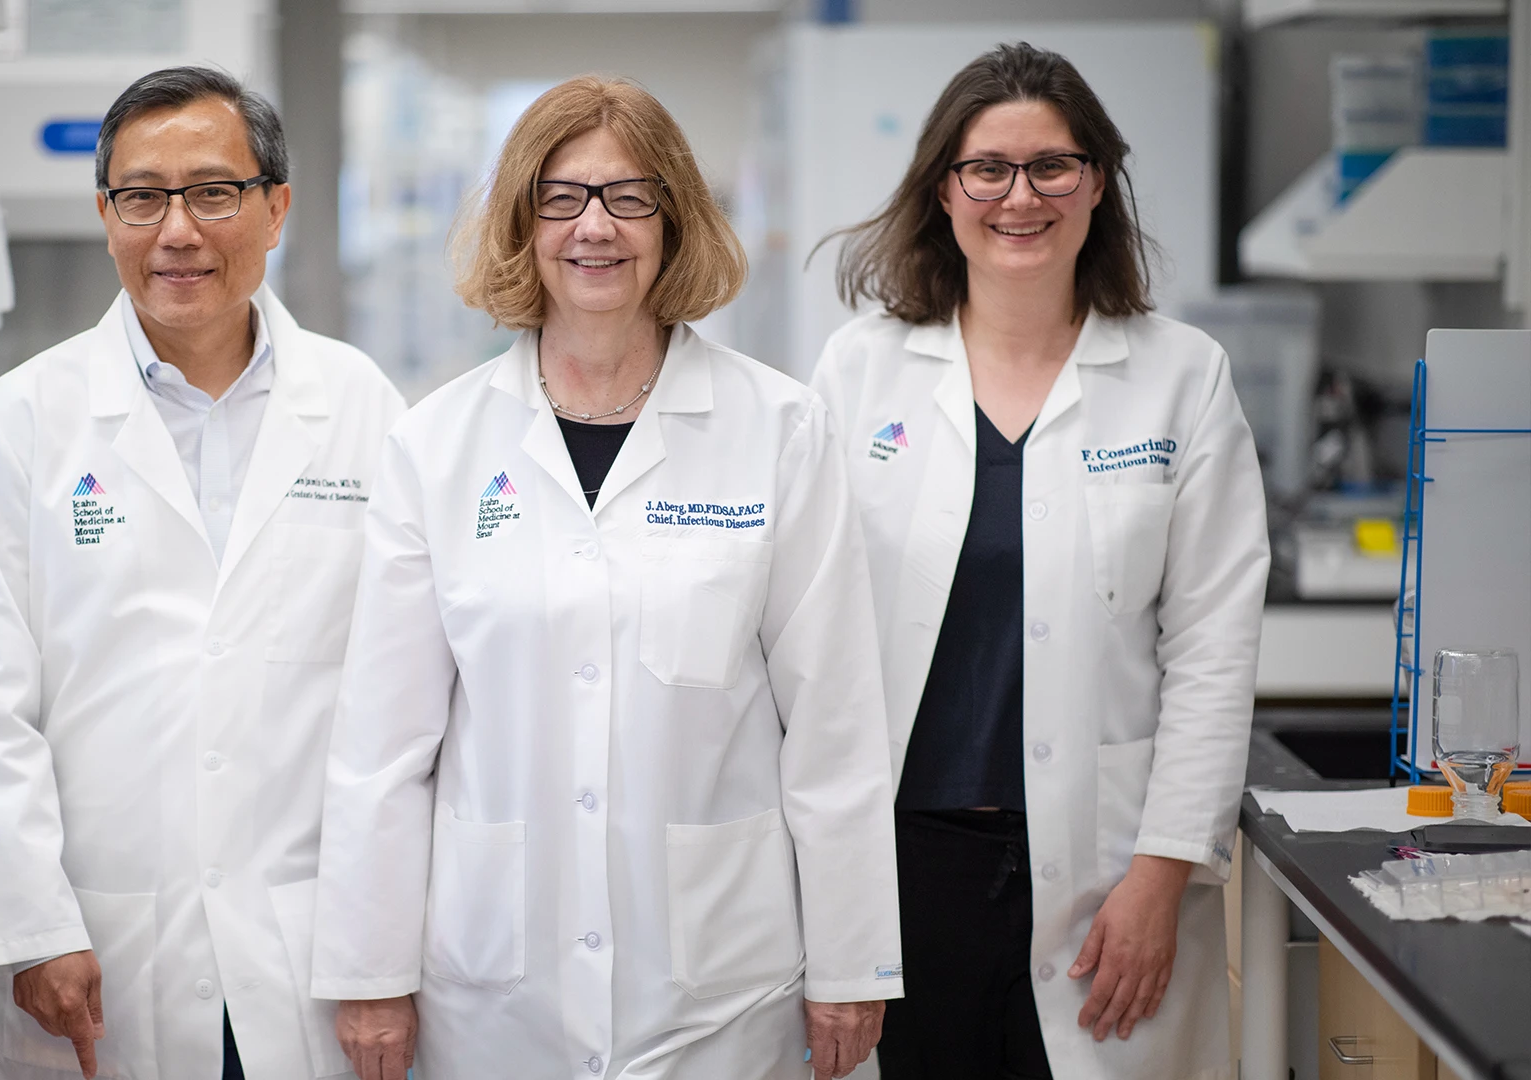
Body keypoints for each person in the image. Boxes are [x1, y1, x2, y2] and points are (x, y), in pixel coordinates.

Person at [309, 76, 903, 1080]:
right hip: (496, 985)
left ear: (675, 220)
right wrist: (369, 972)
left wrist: (853, 961)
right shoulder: (437, 446)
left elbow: (835, 726)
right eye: (561, 198)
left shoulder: (779, 430)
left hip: (719, 981)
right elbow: (383, 745)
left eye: (630, 197)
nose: (595, 227)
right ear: (522, 222)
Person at [809, 42, 1269, 1080]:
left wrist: (1161, 878)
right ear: (944, 189)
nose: (1021, 198)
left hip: (1110, 872)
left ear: (1097, 183)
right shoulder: (859, 371)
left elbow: (1212, 651)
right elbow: (806, 639)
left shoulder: (1180, 377)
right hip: (900, 870)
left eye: (1053, 166)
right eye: (988, 169)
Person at [0, 66, 404, 1080]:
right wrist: (34, 928)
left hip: (307, 947)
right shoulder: (25, 420)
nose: (178, 231)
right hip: (105, 947)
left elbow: (404, 700)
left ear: (275, 207)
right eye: (143, 197)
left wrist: (387, 948)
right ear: (105, 216)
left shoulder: (362, 406)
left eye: (213, 192)